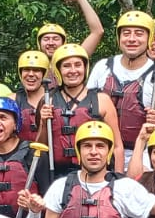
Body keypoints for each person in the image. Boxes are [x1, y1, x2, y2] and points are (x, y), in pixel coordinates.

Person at [87, 10, 155, 162]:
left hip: (141, 155)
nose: (132, 39)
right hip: (99, 153)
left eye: (139, 34)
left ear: (149, 38)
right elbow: (84, 107)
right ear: (119, 38)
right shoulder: (103, 67)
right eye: (126, 33)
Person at [45, 44, 123, 176]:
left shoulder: (102, 100)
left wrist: (119, 179)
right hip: (57, 174)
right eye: (66, 66)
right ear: (58, 70)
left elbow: (117, 146)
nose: (73, 70)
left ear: (85, 68)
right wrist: (43, 122)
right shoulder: (48, 100)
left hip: (95, 174)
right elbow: (41, 146)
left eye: (78, 65)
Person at [36, 0, 106, 89]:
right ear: (39, 43)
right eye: (46, 39)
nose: (51, 43)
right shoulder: (33, 66)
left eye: (56, 39)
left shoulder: (72, 58)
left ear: (63, 42)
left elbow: (97, 31)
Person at [15, 50, 51, 144]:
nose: (31, 74)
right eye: (26, 69)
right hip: (21, 152)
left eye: (36, 70)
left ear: (44, 74)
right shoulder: (12, 99)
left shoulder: (54, 99)